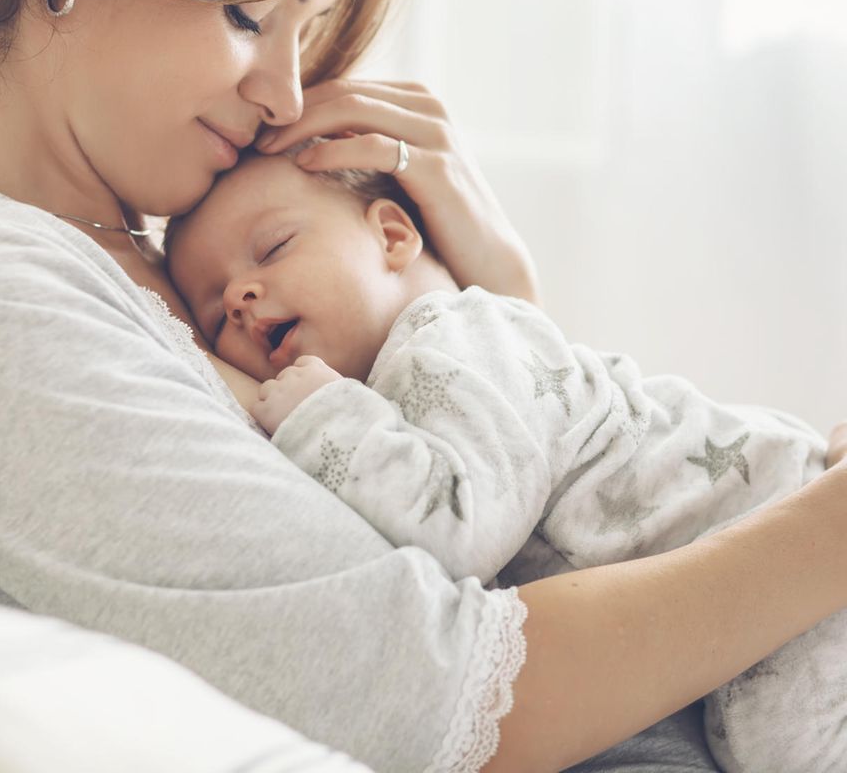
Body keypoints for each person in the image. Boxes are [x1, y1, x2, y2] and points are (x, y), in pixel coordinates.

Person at [0, 0, 846, 771]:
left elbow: (528, 535)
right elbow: (440, 694)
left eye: (305, 35)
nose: (286, 96)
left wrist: (501, 308)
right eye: (249, 15)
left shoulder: (161, 253)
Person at [164, 145, 845, 773]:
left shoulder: (451, 334)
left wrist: (321, 414)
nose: (239, 298)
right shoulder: (415, 377)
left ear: (393, 236)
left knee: (776, 742)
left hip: (789, 531)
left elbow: (463, 530)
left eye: (273, 249)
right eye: (215, 316)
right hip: (773, 539)